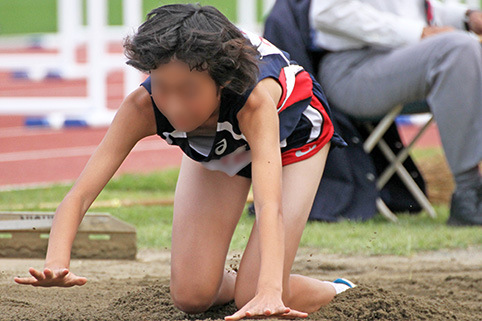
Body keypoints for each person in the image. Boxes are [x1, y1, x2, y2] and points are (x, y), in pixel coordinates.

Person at [14, 4, 354, 320]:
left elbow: (269, 205)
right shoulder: (143, 106)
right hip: (221, 142)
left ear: (220, 83)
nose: (174, 106)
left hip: (292, 137)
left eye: (188, 90)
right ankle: (246, 278)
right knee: (192, 296)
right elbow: (80, 194)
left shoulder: (253, 101)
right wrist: (56, 262)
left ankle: (338, 291)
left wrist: (267, 291)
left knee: (253, 293)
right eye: (162, 86)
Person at [310, 0, 482, 226]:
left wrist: (466, 17)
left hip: (402, 62)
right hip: (351, 70)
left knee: (461, 49)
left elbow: (413, 10)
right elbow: (328, 13)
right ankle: (469, 195)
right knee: (457, 49)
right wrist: (419, 33)